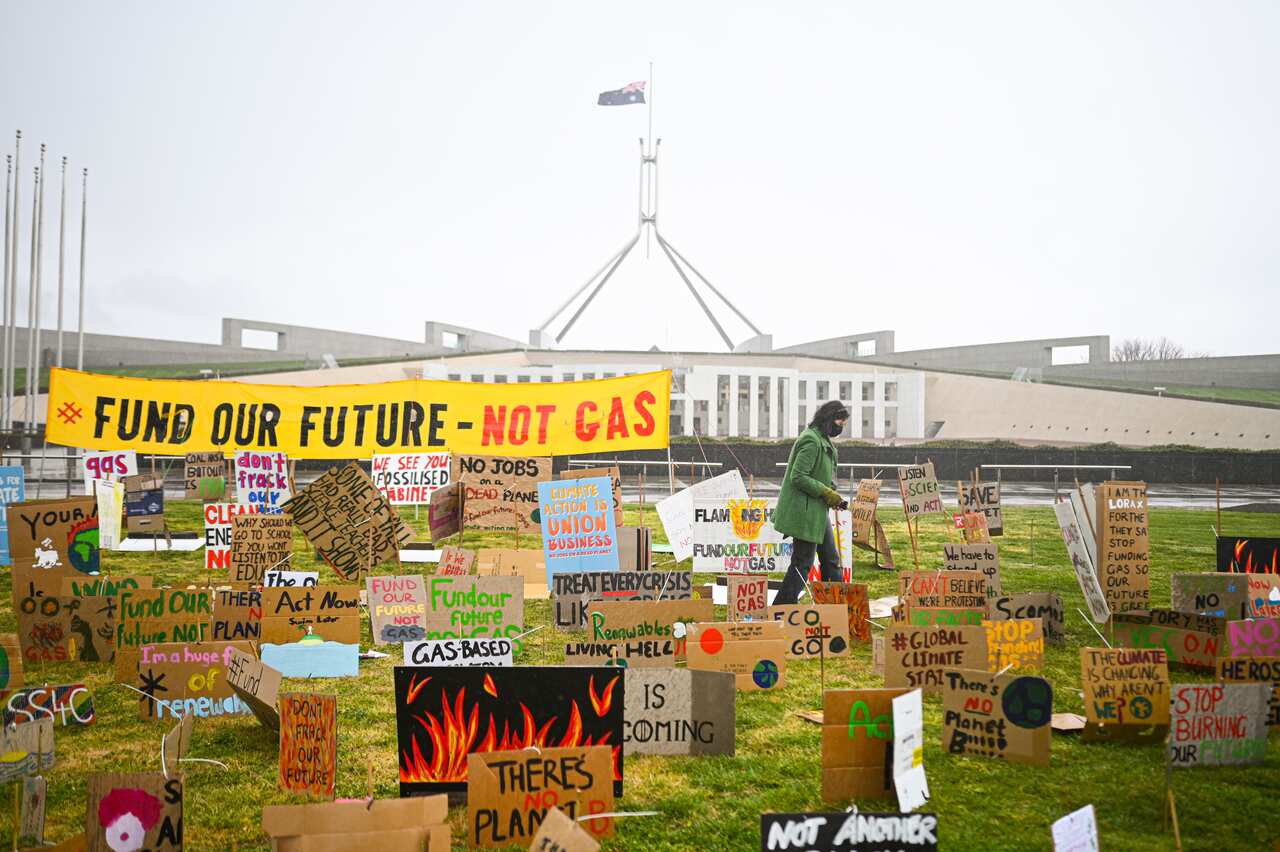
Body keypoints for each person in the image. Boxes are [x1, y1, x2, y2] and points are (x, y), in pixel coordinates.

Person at [772, 400, 849, 604]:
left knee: (831, 561)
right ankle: (782, 608)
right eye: (840, 421)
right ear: (829, 419)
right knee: (802, 563)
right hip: (804, 513)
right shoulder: (811, 440)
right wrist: (826, 493)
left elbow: (821, 476)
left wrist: (830, 494)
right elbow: (798, 476)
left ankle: (837, 606)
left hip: (816, 510)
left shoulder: (822, 439)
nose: (842, 426)